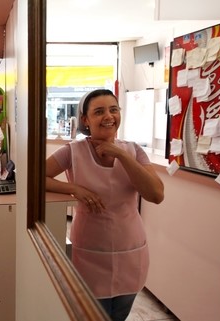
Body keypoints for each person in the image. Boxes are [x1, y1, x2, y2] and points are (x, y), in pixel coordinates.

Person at [45, 89, 164, 321]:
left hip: (131, 251)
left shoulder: (133, 150)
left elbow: (156, 194)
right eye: (99, 112)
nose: (108, 116)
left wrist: (121, 155)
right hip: (90, 251)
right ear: (85, 120)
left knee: (119, 315)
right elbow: (35, 177)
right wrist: (74, 189)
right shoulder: (73, 151)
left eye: (113, 109)